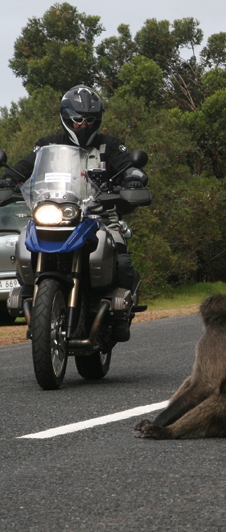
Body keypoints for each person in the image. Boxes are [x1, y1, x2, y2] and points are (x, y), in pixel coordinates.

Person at [0, 85, 148, 342]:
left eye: (90, 119)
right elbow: (25, 168)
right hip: (54, 214)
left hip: (99, 216)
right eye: (78, 119)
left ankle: (122, 311)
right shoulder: (47, 144)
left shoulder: (110, 145)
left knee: (120, 253)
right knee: (25, 244)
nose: (83, 125)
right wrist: (8, 180)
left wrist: (134, 179)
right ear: (67, 117)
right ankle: (27, 294)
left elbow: (129, 168)